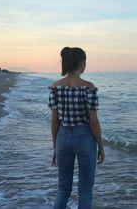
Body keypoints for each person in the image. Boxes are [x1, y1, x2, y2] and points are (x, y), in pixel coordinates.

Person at [48, 47, 105, 209]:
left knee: (63, 188)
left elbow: (54, 121)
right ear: (81, 63)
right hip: (85, 138)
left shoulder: (55, 87)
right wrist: (101, 146)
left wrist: (55, 148)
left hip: (63, 137)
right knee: (85, 189)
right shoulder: (89, 87)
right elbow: (94, 122)